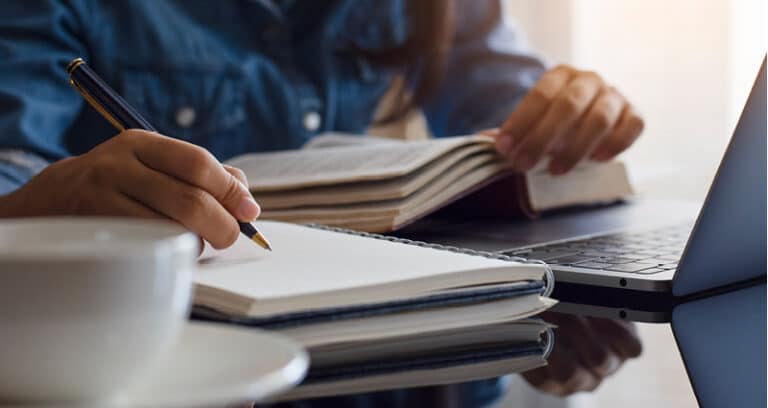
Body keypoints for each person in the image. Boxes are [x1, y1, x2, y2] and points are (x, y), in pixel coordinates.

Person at [0, 0, 644, 405]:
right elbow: (11, 167)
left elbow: (512, 111)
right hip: (147, 363)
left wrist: (568, 114)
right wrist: (41, 203)